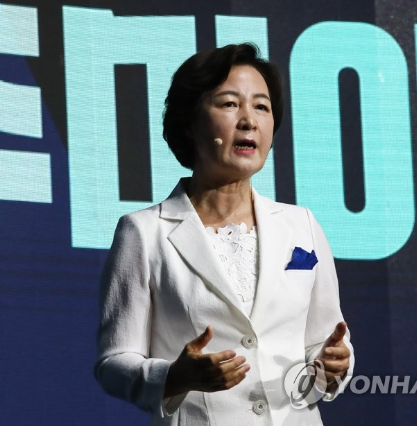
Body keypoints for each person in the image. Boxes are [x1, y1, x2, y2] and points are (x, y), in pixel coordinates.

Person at [95, 43, 354, 425]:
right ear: (190, 122)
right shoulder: (144, 232)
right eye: (230, 104)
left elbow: (327, 341)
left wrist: (334, 365)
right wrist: (175, 376)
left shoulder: (302, 225)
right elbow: (113, 363)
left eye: (262, 107)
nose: (249, 121)